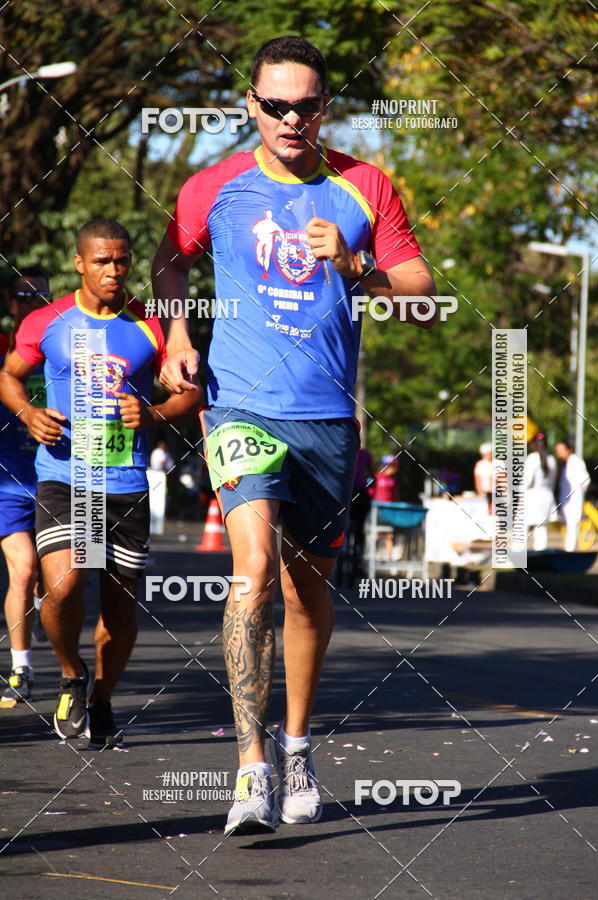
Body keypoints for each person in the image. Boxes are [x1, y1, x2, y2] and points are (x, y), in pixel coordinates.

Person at [152, 35, 437, 835]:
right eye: (273, 104)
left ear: (324, 108)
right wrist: (177, 338)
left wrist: (356, 267)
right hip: (239, 404)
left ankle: (299, 746)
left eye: (305, 105)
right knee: (253, 572)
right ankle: (250, 770)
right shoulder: (214, 185)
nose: (289, 118)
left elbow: (419, 290)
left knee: (310, 590)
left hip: (325, 418)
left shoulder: (365, 185)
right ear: (251, 105)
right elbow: (170, 263)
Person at [0, 219, 200, 746]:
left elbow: (189, 395)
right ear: (80, 263)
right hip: (66, 477)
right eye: (103, 262)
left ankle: (103, 697)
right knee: (64, 586)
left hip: (125, 482)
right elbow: (10, 374)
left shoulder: (151, 327)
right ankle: (71, 672)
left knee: (119, 607)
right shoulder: (48, 320)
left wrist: (154, 412)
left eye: (122, 261)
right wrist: (26, 413)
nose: (114, 271)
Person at [0, 267, 50, 706]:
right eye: (25, 295)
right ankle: (21, 666)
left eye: (44, 296)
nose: (36, 303)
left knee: (60, 581)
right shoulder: (3, 354)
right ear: (11, 304)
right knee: (24, 569)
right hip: (9, 482)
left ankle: (49, 611)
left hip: (62, 480)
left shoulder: (63, 349)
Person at [555, 440, 591, 552]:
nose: (560, 453)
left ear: (569, 450)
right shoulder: (563, 464)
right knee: (569, 526)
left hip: (574, 499)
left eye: (562, 450)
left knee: (572, 525)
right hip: (565, 500)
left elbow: (585, 480)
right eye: (558, 451)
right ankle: (568, 549)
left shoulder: (575, 461)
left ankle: (570, 551)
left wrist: (578, 491)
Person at [525, 432, 557, 551]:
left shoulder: (532, 458)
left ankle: (518, 552)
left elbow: (526, 481)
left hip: (533, 495)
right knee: (541, 526)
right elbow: (553, 481)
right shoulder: (552, 459)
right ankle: (540, 550)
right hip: (547, 495)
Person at [474, 442, 493, 508]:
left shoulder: (497, 463)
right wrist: (480, 492)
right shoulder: (480, 464)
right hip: (485, 492)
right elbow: (478, 479)